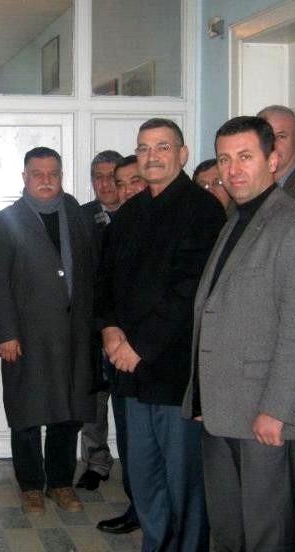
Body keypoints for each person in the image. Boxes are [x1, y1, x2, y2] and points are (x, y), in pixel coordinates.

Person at [182, 115, 295, 551]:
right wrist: (201, 397)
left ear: (273, 159)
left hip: (265, 415)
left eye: (245, 157)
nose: (232, 169)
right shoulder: (237, 218)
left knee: (269, 535)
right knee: (230, 529)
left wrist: (277, 410)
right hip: (223, 408)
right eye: (225, 159)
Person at [97, 119, 225, 551]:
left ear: (182, 154)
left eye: (163, 147)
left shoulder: (203, 210)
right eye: (144, 148)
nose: (151, 156)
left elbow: (188, 291)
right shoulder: (130, 211)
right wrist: (109, 329)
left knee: (182, 480)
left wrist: (139, 346)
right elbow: (105, 280)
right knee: (144, 475)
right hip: (129, 370)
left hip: (174, 373)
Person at [0, 147, 96, 515]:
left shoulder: (78, 216)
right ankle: (31, 485)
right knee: (27, 413)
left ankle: (60, 483)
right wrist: (5, 333)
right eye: (38, 174)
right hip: (26, 337)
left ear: (61, 176)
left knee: (69, 412)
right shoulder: (6, 221)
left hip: (74, 335)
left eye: (53, 173)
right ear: (25, 178)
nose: (46, 180)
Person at [95, 153, 146, 536]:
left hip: (150, 355)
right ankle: (138, 507)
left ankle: (148, 511)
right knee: (130, 439)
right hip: (118, 351)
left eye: (134, 182)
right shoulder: (123, 226)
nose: (126, 190)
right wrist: (109, 331)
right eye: (121, 183)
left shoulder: (165, 222)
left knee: (147, 445)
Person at [76, 150, 122, 491]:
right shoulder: (80, 217)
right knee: (93, 400)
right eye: (98, 177)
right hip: (91, 326)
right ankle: (96, 462)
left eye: (111, 176)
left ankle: (138, 464)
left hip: (131, 328)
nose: (105, 184)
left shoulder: (140, 212)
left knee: (130, 402)